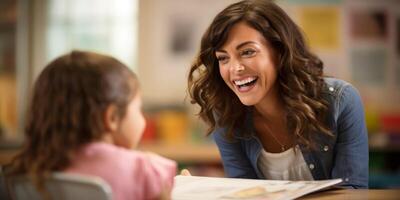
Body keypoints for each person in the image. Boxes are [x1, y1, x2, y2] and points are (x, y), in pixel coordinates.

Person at [187, 0, 368, 189]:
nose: (235, 69)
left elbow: (352, 192)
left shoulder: (341, 100)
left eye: (247, 52)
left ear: (280, 51)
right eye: (223, 58)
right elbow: (246, 193)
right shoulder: (226, 117)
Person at [6, 51, 177, 199]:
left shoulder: (25, 169)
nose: (143, 118)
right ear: (112, 118)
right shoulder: (145, 171)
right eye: (139, 108)